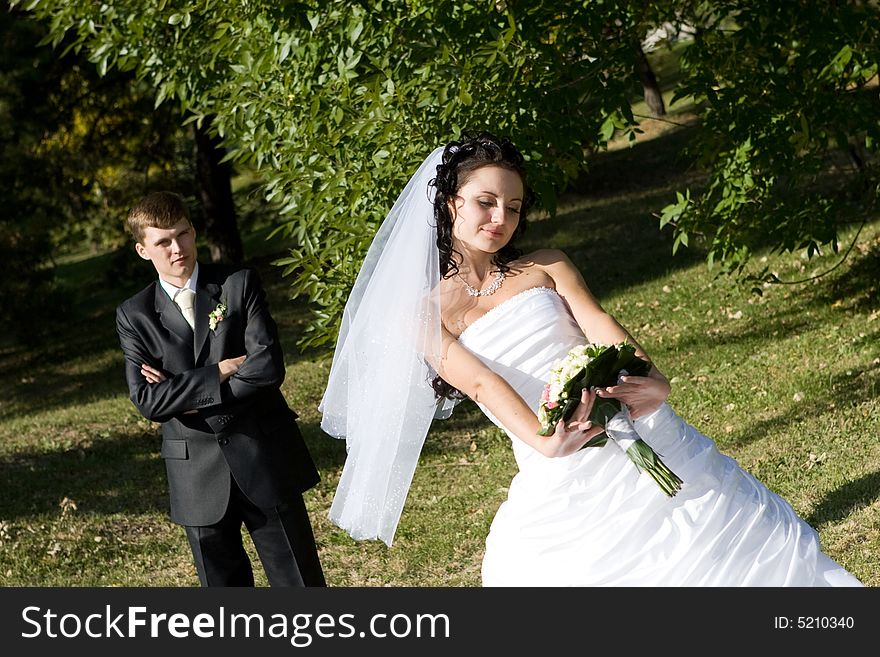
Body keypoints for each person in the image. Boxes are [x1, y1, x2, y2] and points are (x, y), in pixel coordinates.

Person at [320, 133, 864, 586]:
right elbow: (481, 382)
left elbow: (600, 325)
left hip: (637, 421)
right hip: (555, 449)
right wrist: (544, 441)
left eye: (512, 207)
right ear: (450, 204)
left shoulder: (547, 265)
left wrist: (653, 381)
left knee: (727, 536)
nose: (500, 217)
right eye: (486, 202)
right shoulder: (423, 313)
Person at [116, 191, 325, 587]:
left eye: (183, 234)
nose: (177, 248)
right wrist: (220, 371)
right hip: (194, 473)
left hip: (262, 453)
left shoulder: (237, 284)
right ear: (143, 250)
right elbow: (147, 399)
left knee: (300, 584)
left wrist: (185, 395)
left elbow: (266, 367)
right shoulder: (133, 314)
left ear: (194, 232)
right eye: (163, 242)